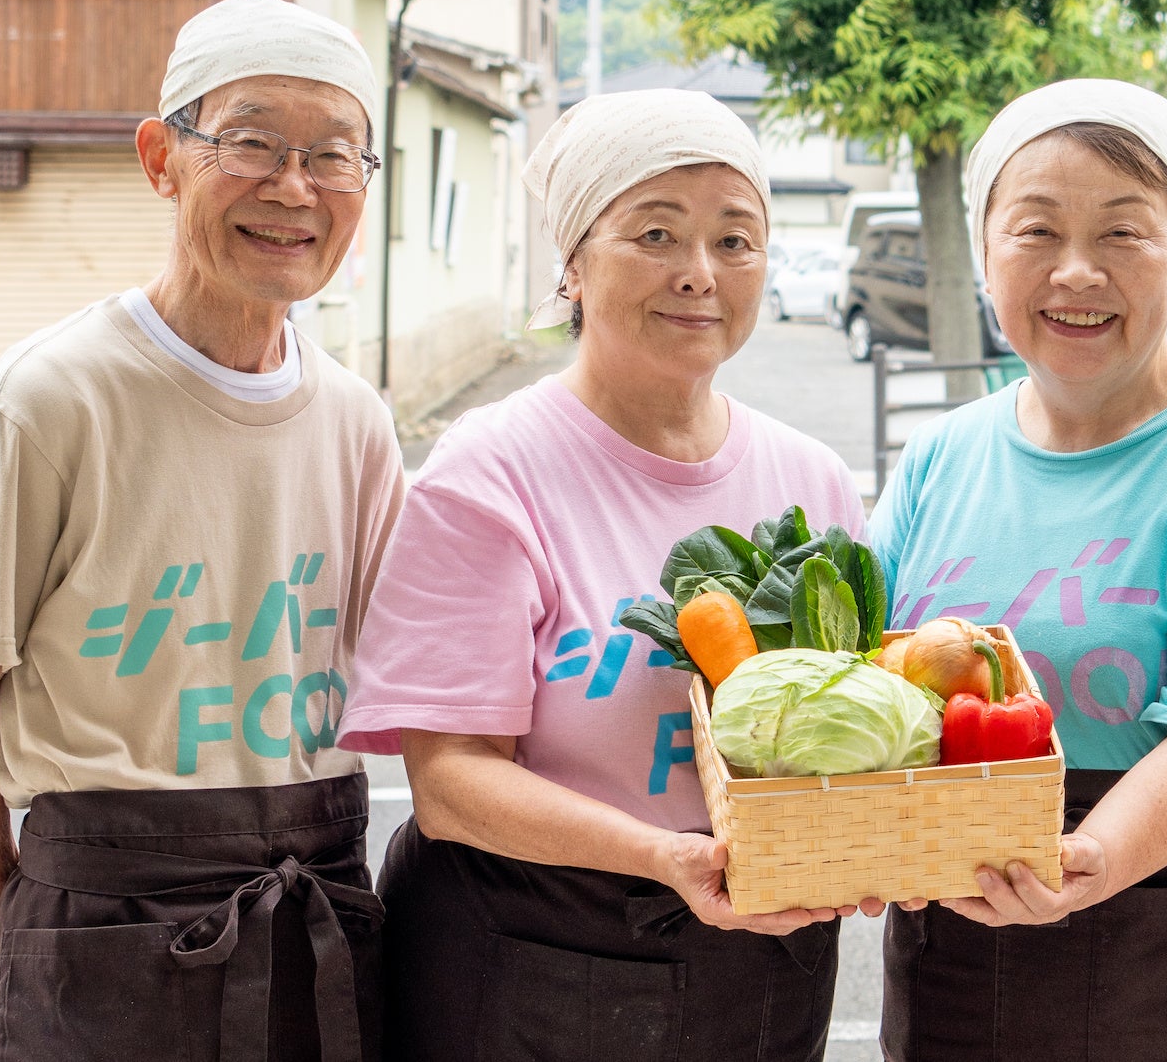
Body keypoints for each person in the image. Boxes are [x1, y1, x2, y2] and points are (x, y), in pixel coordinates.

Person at [0, 0, 406, 1061]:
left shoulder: (356, 420)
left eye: (333, 155)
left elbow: (430, 678)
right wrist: (19, 955)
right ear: (159, 157)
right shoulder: (51, 399)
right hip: (99, 919)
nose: (293, 186)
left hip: (318, 903)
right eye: (252, 143)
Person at [336, 89, 866, 1062]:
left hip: (753, 971)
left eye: (734, 241)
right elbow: (451, 782)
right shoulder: (493, 470)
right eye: (654, 233)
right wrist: (667, 859)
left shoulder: (811, 480)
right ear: (573, 266)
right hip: (523, 964)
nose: (699, 274)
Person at [869, 79, 1167, 1061]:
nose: (1075, 273)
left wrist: (1087, 857)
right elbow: (867, 684)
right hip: (956, 958)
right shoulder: (937, 460)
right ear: (982, 255)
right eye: (1035, 232)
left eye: (1123, 234)